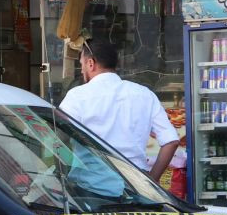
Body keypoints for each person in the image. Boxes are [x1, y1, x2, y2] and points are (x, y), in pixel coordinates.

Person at [59, 37, 179, 181]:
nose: (82, 70)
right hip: (138, 186)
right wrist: (153, 180)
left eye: (82, 64)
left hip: (92, 185)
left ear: (90, 64)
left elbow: (59, 137)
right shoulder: (144, 94)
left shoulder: (77, 96)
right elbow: (171, 141)